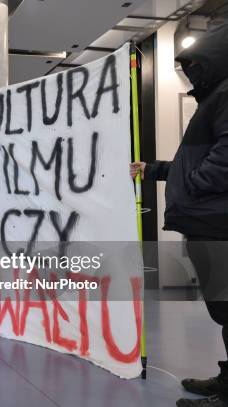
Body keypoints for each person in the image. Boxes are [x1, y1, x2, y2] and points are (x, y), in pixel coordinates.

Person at [130, 23, 228, 407]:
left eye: (194, 65)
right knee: (223, 309)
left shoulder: (224, 96)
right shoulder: (214, 98)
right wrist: (153, 169)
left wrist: (196, 185)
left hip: (217, 223)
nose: (190, 73)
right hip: (208, 221)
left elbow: (220, 161)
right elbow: (196, 161)